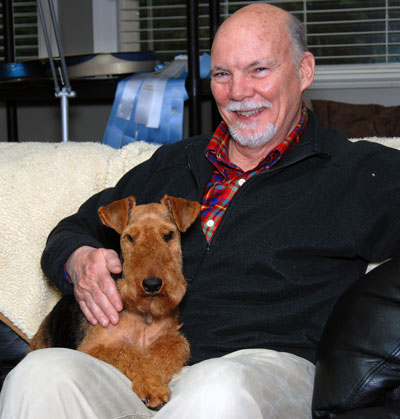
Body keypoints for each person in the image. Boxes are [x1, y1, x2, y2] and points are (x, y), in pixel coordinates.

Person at [1, 3, 400, 419]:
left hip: (263, 369)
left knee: (217, 389)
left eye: (259, 70)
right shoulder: (173, 163)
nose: (239, 92)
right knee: (39, 372)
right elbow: (73, 229)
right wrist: (78, 260)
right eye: (223, 74)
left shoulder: (355, 171)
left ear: (304, 71)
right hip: (143, 363)